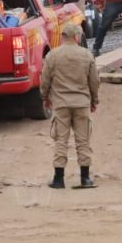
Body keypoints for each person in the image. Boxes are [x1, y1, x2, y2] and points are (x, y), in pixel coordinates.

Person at [40, 23, 100, 189]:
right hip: (81, 103)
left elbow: (45, 80)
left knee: (61, 140)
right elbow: (94, 80)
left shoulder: (52, 55)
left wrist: (45, 97)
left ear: (63, 37)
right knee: (83, 140)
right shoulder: (86, 55)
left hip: (61, 104)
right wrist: (94, 100)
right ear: (76, 37)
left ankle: (58, 179)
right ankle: (85, 178)